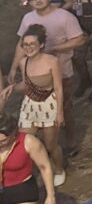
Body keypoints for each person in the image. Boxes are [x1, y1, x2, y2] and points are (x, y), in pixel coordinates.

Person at [8, 0, 84, 161]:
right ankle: (47, 144)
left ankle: (71, 141)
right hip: (35, 73)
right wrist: (13, 67)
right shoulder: (28, 18)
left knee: (64, 107)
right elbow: (22, 44)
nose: (38, 1)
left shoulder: (64, 17)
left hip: (62, 70)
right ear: (29, 2)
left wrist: (55, 48)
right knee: (37, 106)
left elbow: (79, 40)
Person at [4, 25, 65, 187]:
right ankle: (26, 173)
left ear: (41, 44)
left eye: (32, 44)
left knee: (51, 145)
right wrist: (12, 88)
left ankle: (59, 169)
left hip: (48, 105)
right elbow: (26, 84)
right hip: (29, 106)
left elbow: (58, 88)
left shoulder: (52, 61)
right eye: (25, 44)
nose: (28, 47)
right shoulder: (23, 62)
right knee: (23, 141)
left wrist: (60, 112)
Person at [0, 113, 57, 204]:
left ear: (12, 135)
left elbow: (45, 167)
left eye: (3, 141)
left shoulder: (29, 142)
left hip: (21, 190)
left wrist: (51, 195)